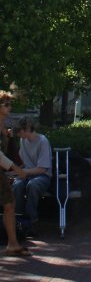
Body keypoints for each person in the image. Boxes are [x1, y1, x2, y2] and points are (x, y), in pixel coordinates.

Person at [12, 117, 52, 237]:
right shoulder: (23, 141)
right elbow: (25, 162)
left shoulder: (43, 141)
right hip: (28, 173)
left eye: (20, 131)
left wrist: (24, 171)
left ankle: (32, 222)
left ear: (27, 129)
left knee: (32, 185)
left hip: (42, 176)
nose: (18, 135)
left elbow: (42, 168)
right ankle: (19, 221)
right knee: (17, 185)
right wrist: (17, 170)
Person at [0, 95, 29, 257]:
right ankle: (12, 243)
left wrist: (7, 137)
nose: (9, 106)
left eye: (10, 103)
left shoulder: (4, 126)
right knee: (9, 204)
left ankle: (12, 243)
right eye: (6, 104)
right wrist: (15, 168)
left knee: (9, 204)